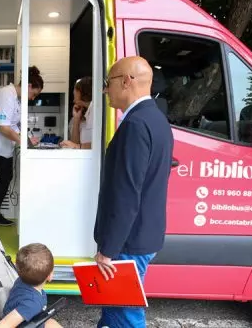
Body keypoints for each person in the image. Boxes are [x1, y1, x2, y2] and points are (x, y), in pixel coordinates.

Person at [93, 56, 174, 327]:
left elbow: (127, 194)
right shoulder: (157, 120)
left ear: (126, 81)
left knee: (125, 317)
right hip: (141, 235)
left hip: (128, 242)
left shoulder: (135, 125)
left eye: (109, 83)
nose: (106, 90)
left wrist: (109, 249)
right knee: (115, 312)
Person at [0, 66, 44, 226]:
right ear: (29, 86)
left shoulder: (17, 99)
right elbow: (4, 127)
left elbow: (13, 125)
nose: (33, 98)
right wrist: (24, 142)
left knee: (6, 177)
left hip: (4, 145)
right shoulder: (6, 94)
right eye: (34, 94)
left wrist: (27, 139)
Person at [0, 243, 62, 328]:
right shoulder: (31, 303)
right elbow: (4, 325)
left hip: (32, 321)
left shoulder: (21, 280)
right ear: (49, 276)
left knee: (50, 322)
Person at [60, 76, 93, 149]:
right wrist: (76, 118)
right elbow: (74, 145)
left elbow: (100, 144)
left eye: (75, 89)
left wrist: (77, 146)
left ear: (80, 91)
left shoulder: (95, 110)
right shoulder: (87, 111)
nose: (73, 92)